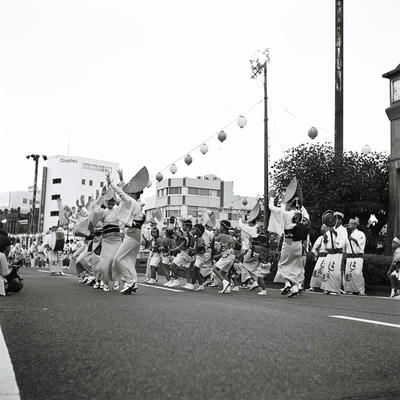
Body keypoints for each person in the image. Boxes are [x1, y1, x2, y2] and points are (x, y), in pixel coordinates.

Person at [110, 167, 148, 295]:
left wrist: (111, 183)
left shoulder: (132, 201)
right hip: (135, 235)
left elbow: (122, 193)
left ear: (134, 194)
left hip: (132, 235)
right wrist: (121, 179)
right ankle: (133, 283)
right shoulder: (134, 203)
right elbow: (125, 191)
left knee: (118, 259)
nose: (128, 192)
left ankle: (129, 281)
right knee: (129, 261)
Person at [269, 177, 309, 298]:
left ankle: (290, 285)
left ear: (289, 204)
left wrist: (272, 196)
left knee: (282, 265)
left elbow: (272, 207)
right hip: (298, 244)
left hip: (288, 242)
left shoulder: (285, 213)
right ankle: (295, 287)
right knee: (295, 267)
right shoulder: (301, 214)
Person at [320, 211, 347, 295]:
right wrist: (325, 240)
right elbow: (325, 243)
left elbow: (342, 242)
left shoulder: (343, 230)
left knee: (335, 271)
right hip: (329, 253)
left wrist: (335, 233)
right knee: (327, 271)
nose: (336, 220)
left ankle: (335, 290)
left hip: (337, 253)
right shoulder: (330, 229)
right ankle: (327, 288)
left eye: (338, 219)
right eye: (335, 219)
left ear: (341, 220)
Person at [343, 217, 366, 295]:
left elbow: (361, 244)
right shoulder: (347, 234)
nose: (349, 225)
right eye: (349, 223)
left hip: (357, 256)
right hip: (349, 257)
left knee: (357, 273)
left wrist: (352, 239)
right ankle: (349, 289)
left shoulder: (361, 234)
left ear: (356, 225)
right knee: (348, 274)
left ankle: (360, 290)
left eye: (351, 223)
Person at [212, 220, 235, 294]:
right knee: (223, 272)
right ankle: (227, 288)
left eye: (221, 226)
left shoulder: (221, 236)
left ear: (223, 227)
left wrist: (214, 234)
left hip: (226, 255)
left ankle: (225, 283)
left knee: (215, 269)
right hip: (231, 255)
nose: (220, 227)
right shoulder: (231, 237)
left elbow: (214, 245)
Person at [309, 224, 328, 291]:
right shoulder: (320, 238)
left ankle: (325, 287)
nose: (322, 228)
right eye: (322, 227)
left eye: (324, 227)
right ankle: (314, 286)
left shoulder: (331, 237)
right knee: (317, 270)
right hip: (320, 257)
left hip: (327, 256)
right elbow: (314, 248)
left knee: (325, 272)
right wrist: (315, 252)